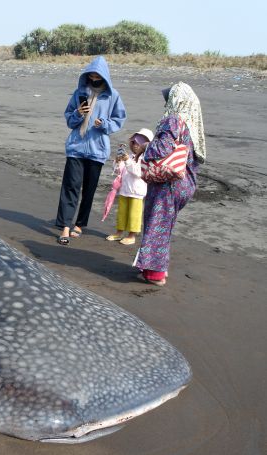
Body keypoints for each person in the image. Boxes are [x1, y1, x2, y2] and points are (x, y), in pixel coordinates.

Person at [135, 82, 205, 286]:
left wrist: (145, 147)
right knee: (165, 225)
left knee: (157, 225)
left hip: (168, 184)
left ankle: (155, 273)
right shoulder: (191, 123)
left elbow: (163, 148)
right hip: (185, 184)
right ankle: (152, 267)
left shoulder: (173, 120)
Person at [55, 56, 127, 245]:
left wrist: (103, 124)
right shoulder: (79, 92)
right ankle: (64, 226)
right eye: (91, 74)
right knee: (70, 187)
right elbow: (69, 120)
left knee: (89, 189)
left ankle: (79, 224)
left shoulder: (113, 96)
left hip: (97, 150)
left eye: (97, 74)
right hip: (76, 148)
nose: (94, 76)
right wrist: (78, 114)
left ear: (104, 75)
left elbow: (119, 120)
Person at [105, 128, 152, 245]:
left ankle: (132, 235)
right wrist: (117, 162)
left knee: (134, 214)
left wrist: (127, 161)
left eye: (139, 143)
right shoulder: (129, 156)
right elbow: (117, 171)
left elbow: (138, 172)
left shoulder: (146, 159)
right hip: (124, 189)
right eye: (134, 142)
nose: (135, 145)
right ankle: (119, 232)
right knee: (122, 213)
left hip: (137, 192)